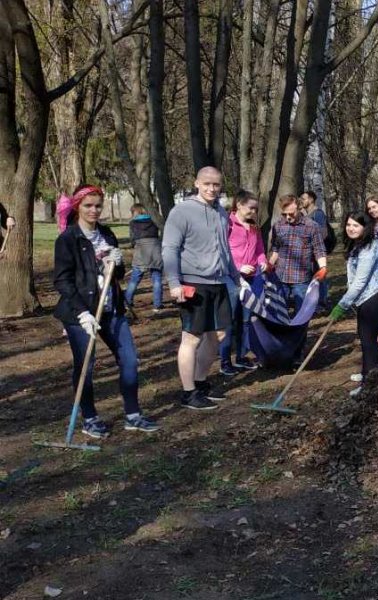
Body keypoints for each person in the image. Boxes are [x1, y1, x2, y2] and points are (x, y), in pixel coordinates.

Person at [54, 185, 158, 436]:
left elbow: (116, 275)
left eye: (98, 205)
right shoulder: (68, 239)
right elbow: (62, 280)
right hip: (80, 313)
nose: (94, 210)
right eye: (88, 205)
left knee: (130, 359)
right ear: (78, 206)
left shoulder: (107, 234)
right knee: (86, 365)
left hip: (111, 308)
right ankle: (90, 418)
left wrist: (117, 263)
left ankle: (133, 415)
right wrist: (82, 312)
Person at [162, 166, 240, 411]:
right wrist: (174, 283)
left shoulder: (221, 213)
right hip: (192, 284)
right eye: (206, 184)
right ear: (197, 183)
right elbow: (169, 249)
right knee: (191, 338)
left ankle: (200, 382)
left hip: (218, 283)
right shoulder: (182, 211)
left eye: (216, 184)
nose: (211, 188)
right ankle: (188, 393)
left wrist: (235, 275)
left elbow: (224, 249)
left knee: (218, 336)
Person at [329, 211, 378, 397]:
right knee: (367, 340)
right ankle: (369, 375)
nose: (351, 228)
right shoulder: (358, 245)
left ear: (365, 228)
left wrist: (342, 304)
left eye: (355, 225)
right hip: (368, 296)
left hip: (375, 295)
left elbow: (360, 281)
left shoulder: (369, 249)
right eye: (348, 224)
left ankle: (371, 385)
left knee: (368, 341)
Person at [219, 191, 267, 375]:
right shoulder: (227, 224)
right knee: (230, 320)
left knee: (246, 320)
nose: (254, 211)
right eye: (251, 208)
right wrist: (238, 267)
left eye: (256, 208)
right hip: (232, 279)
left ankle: (241, 357)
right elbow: (222, 251)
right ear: (239, 204)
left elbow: (260, 250)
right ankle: (225, 361)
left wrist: (262, 261)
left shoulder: (255, 227)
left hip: (253, 279)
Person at [269, 195, 328, 314]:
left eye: (291, 213)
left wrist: (323, 267)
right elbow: (276, 249)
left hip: (301, 279)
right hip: (280, 277)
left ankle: (301, 333)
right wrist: (270, 264)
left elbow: (319, 250)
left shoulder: (312, 226)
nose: (288, 217)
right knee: (279, 313)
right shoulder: (278, 225)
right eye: (284, 214)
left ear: (299, 208)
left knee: (301, 314)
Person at [124, 204, 164, 315]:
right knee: (156, 279)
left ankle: (127, 302)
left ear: (134, 212)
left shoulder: (132, 223)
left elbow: (132, 239)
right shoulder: (153, 220)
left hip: (140, 251)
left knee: (134, 280)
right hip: (155, 251)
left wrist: (134, 245)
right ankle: (157, 305)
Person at [300, 190, 332, 308]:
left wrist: (314, 244)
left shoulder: (318, 213)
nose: (302, 201)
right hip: (307, 253)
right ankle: (313, 302)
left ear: (311, 199)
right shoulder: (303, 214)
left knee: (320, 276)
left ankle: (322, 302)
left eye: (304, 199)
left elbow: (324, 233)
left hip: (317, 252)